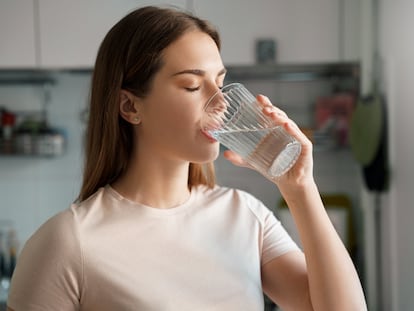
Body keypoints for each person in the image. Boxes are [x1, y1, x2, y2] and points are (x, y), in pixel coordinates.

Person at [6, 5, 367, 311]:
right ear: (130, 106)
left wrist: (300, 188)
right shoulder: (69, 243)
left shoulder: (245, 216)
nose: (221, 101)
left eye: (220, 81)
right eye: (192, 85)